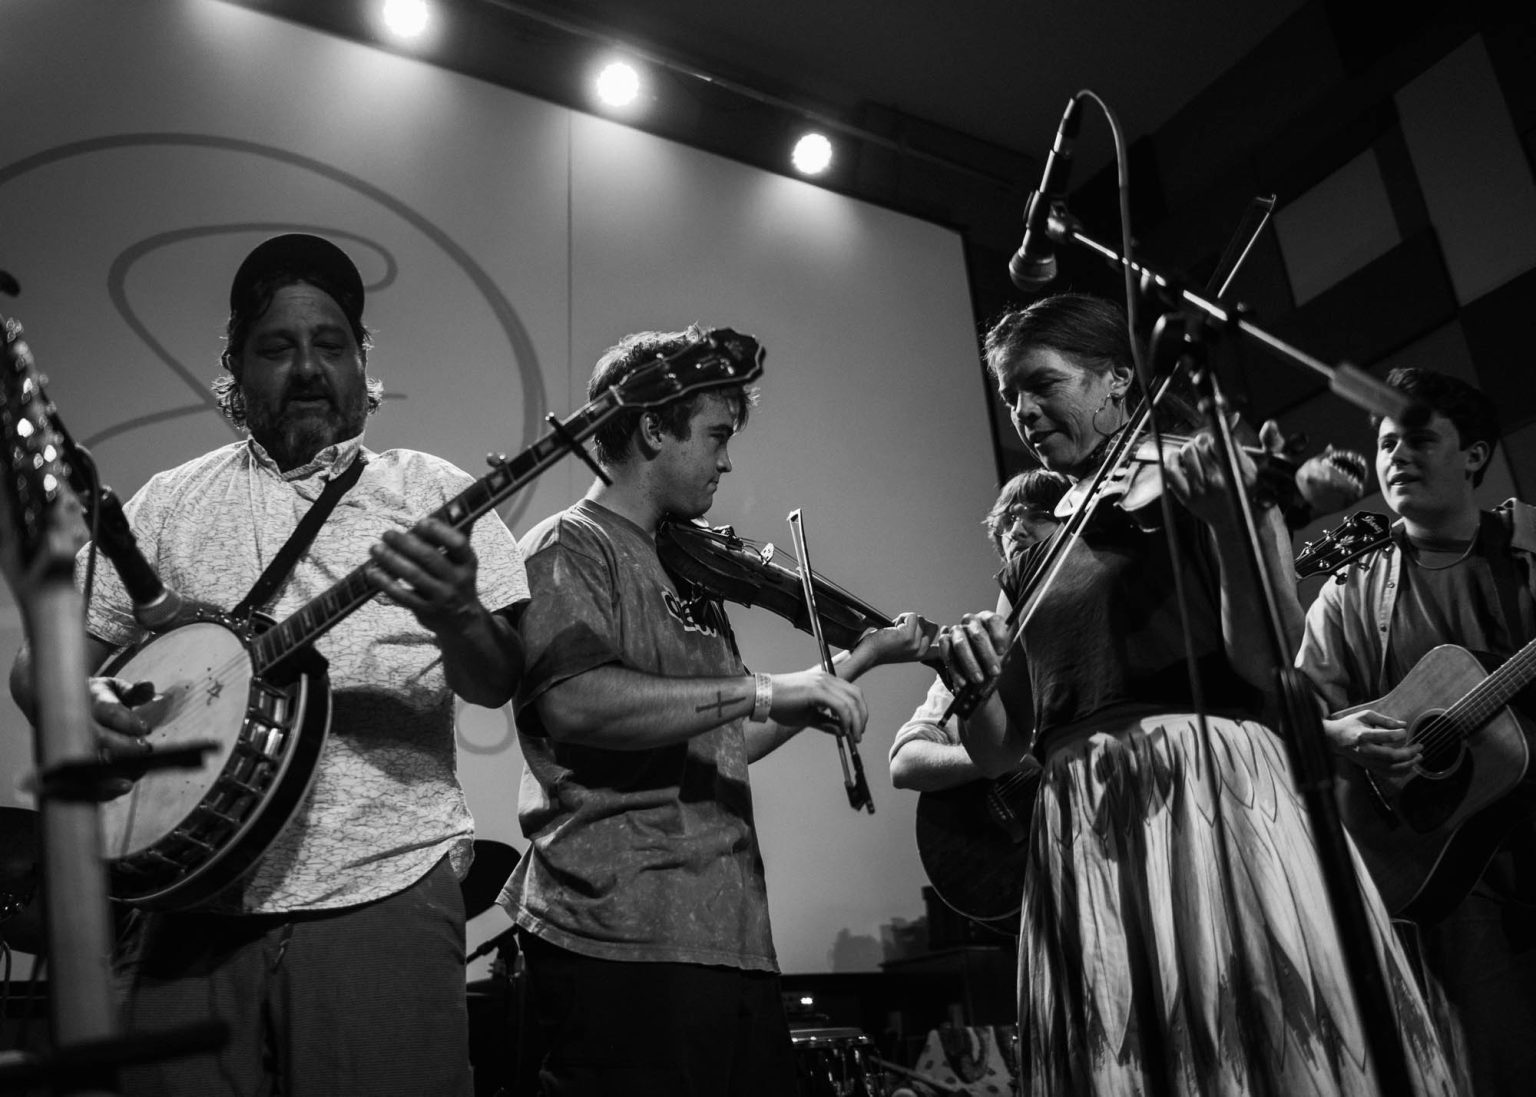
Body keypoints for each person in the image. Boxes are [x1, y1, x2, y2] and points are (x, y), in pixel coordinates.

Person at [9, 233, 529, 1096]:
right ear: (234, 370)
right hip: (183, 901)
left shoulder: (427, 490)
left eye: (331, 345)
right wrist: (77, 696)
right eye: (278, 348)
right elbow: (43, 660)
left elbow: (496, 679)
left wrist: (457, 611)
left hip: (383, 888)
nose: (308, 367)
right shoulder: (172, 499)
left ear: (365, 366)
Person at [938, 293, 1458, 1095]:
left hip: (1209, 789)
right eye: (1010, 396)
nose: (1024, 411)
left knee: (1250, 1037)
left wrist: (1228, 520)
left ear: (1116, 382)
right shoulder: (1032, 553)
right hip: (1082, 815)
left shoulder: (1210, 482)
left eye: (1041, 384)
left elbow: (1271, 661)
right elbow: (1003, 744)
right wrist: (970, 689)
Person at [500, 324, 926, 1097]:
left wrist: (853, 661)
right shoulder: (568, 544)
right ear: (654, 426)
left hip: (729, 935)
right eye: (716, 435)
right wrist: (767, 686)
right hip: (620, 933)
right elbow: (576, 703)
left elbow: (723, 738)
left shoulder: (682, 568)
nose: (728, 460)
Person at [1296, 366, 1536, 1096]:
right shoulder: (1349, 588)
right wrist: (1346, 735)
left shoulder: (1529, 548)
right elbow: (1297, 713)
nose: (1396, 455)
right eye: (1386, 443)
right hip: (1451, 869)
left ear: (1473, 454)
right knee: (1502, 1068)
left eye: (1419, 438)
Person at [889, 468, 1067, 792]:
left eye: (1038, 516)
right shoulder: (981, 643)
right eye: (1007, 523)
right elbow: (904, 762)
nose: (1017, 531)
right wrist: (1006, 755)